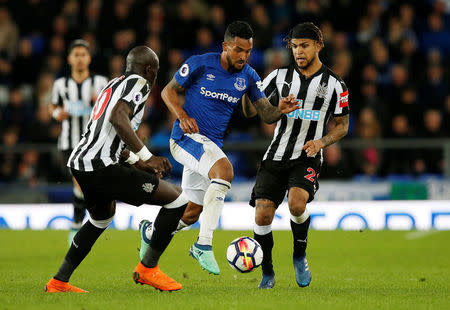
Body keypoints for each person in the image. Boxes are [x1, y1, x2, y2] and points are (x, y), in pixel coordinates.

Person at [139, 21, 298, 275]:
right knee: (225, 172)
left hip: (209, 145)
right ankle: (203, 245)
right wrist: (181, 115)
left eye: (248, 51)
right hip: (185, 138)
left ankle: (149, 231)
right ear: (225, 46)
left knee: (191, 212)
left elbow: (265, 114)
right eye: (238, 50)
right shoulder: (201, 63)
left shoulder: (248, 75)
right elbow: (168, 91)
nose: (243, 57)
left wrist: (280, 109)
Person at [44, 46, 188, 293]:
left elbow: (109, 135)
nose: (155, 76)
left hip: (81, 164)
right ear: (149, 69)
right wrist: (148, 156)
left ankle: (59, 281)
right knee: (178, 199)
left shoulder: (111, 85)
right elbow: (118, 118)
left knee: (101, 218)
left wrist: (137, 162)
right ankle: (148, 269)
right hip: (102, 167)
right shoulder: (140, 83)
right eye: (156, 70)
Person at [250, 22, 350, 289]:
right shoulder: (277, 77)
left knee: (296, 204)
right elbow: (250, 111)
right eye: (294, 47)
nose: (298, 52)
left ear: (319, 45)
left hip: (307, 155)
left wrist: (321, 142)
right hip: (275, 154)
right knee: (262, 216)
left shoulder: (335, 85)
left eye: (304, 45)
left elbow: (342, 126)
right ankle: (268, 271)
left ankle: (299, 254)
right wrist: (272, 107)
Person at [48, 39, 108, 245]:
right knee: (80, 183)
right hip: (69, 143)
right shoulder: (60, 84)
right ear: (70, 59)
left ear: (89, 58)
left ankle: (80, 223)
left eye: (84, 54)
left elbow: (111, 109)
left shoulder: (101, 82)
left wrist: (99, 101)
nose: (80, 58)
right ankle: (77, 224)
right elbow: (52, 106)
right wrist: (57, 114)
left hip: (93, 142)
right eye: (77, 55)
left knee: (86, 186)